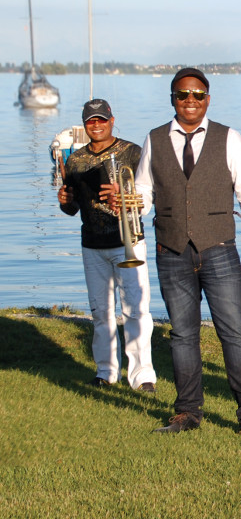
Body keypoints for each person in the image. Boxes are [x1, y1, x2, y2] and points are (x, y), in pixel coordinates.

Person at [136, 68, 241, 437]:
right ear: (172, 99)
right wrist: (130, 206)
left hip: (219, 250)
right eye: (183, 95)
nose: (190, 101)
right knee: (182, 335)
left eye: (197, 94)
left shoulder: (228, 138)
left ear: (208, 99)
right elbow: (144, 193)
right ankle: (187, 412)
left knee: (235, 334)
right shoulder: (155, 139)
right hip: (171, 251)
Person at [57, 98, 157, 392]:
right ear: (84, 124)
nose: (96, 125)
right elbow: (72, 209)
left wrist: (122, 191)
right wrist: (65, 200)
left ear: (112, 120)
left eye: (102, 119)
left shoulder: (132, 152)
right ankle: (105, 372)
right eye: (91, 121)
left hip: (129, 240)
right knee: (100, 312)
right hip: (92, 244)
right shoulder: (75, 160)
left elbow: (147, 195)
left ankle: (143, 376)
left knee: (137, 311)